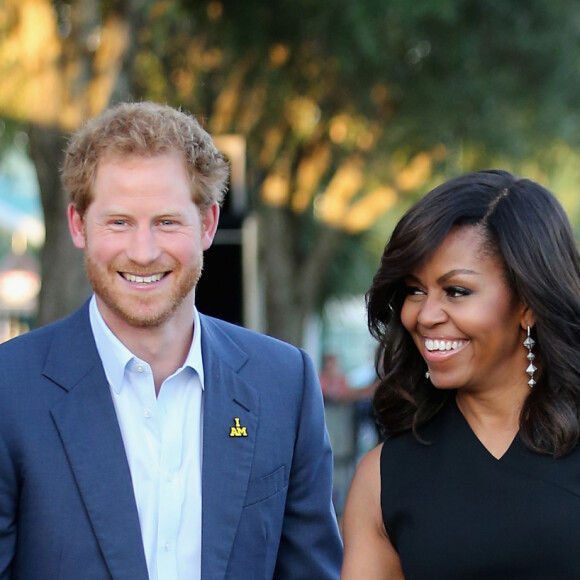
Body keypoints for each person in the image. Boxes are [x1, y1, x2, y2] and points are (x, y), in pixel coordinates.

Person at [0, 101, 342, 579]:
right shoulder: (10, 389)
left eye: (167, 222)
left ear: (207, 224)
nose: (143, 252)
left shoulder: (284, 384)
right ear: (78, 225)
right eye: (119, 222)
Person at [341, 169, 580, 579]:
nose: (426, 315)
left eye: (457, 291)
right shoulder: (383, 477)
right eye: (415, 290)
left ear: (529, 304)